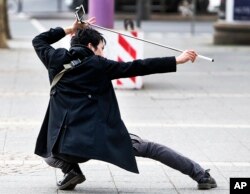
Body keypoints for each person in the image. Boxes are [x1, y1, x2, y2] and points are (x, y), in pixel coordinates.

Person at [32, 17, 217, 191]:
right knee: (149, 148)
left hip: (62, 147)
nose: (102, 53)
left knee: (46, 151)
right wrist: (177, 60)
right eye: (101, 49)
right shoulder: (99, 65)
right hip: (98, 140)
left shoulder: (54, 59)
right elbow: (139, 66)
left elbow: (38, 40)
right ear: (91, 46)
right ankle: (201, 175)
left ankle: (71, 171)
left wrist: (70, 29)